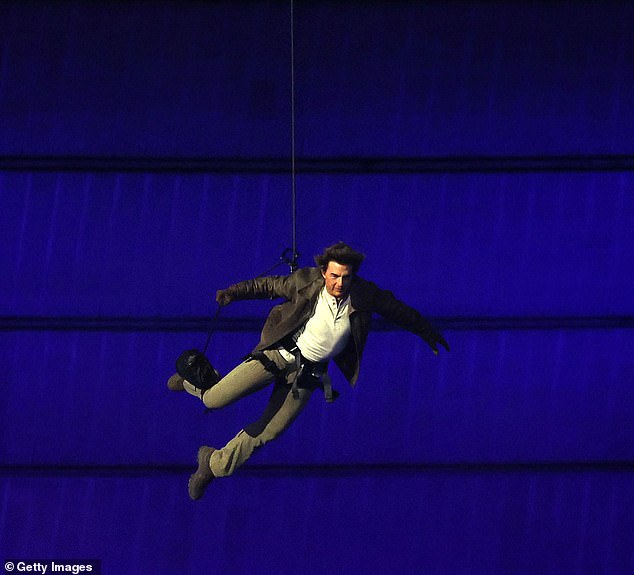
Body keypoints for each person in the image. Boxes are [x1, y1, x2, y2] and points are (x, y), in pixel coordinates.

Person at [167, 242, 449, 500]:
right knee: (214, 399)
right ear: (325, 272)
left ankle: (213, 464)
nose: (340, 283)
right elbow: (268, 286)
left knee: (271, 430)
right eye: (335, 276)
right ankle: (191, 383)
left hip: (306, 375)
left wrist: (426, 332)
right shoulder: (306, 281)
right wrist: (233, 293)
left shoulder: (364, 294)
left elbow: (398, 310)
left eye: (346, 277)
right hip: (278, 355)